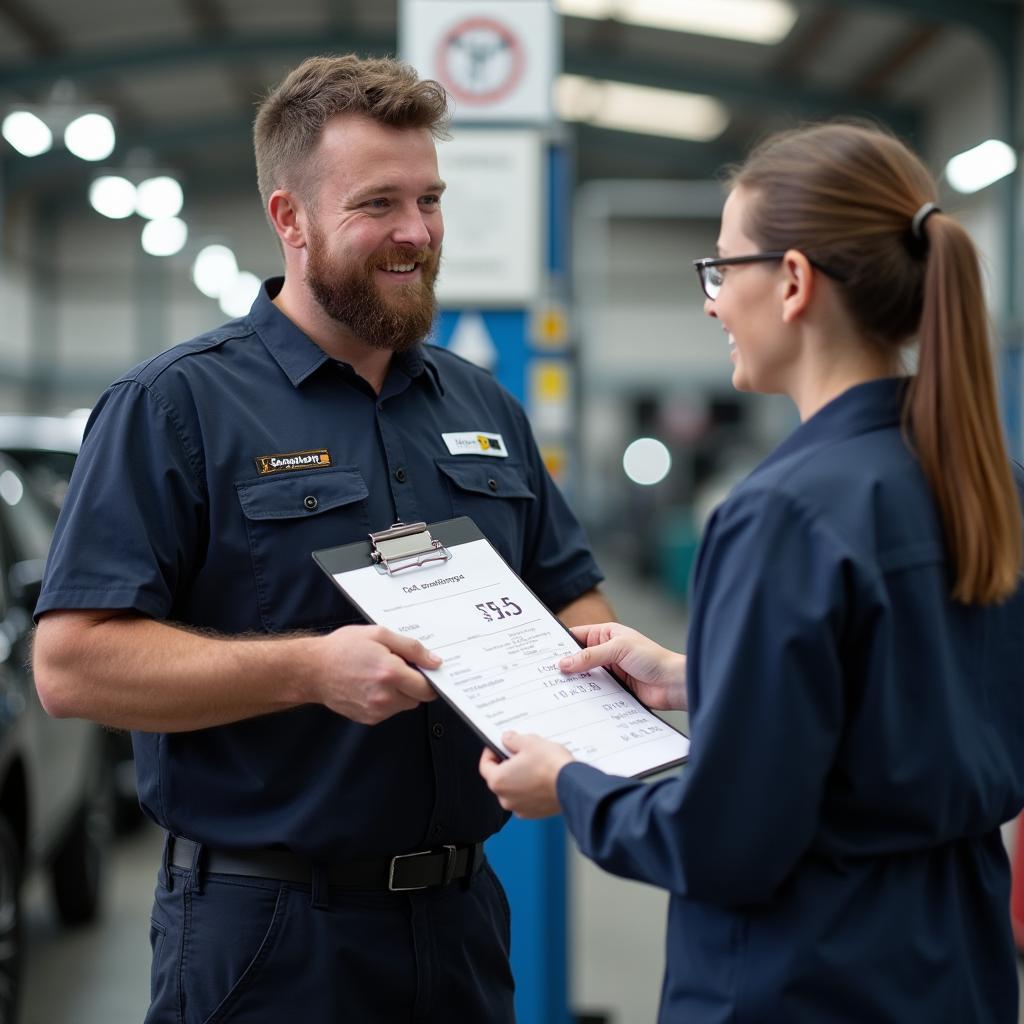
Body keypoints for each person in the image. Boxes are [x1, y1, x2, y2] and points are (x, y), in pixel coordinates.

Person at [33, 54, 611, 1023]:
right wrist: (308, 670)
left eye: (429, 199)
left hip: (461, 918)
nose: (417, 233)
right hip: (268, 933)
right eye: (378, 204)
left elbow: (571, 594)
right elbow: (71, 665)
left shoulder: (483, 407)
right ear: (288, 219)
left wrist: (590, 704)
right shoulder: (176, 409)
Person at [480, 122, 1024, 1023]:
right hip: (954, 969)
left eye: (721, 270)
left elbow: (724, 842)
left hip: (805, 982)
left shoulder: (782, 511)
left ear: (795, 282)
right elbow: (919, 703)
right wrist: (702, 680)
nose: (711, 302)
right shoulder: (984, 481)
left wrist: (569, 783)